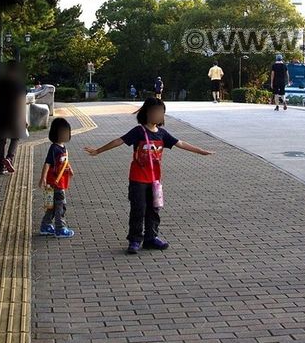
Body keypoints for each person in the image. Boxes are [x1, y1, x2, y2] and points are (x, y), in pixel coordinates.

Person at [84, 97, 213, 254]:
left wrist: (200, 151)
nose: (158, 115)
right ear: (146, 113)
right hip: (138, 179)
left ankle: (151, 238)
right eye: (154, 112)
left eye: (161, 113)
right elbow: (119, 141)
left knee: (153, 210)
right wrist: (98, 151)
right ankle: (135, 240)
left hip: (154, 181)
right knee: (138, 209)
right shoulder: (138, 131)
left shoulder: (162, 134)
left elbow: (181, 143)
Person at [38, 117, 75, 238]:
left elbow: (63, 162)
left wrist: (69, 169)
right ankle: (60, 228)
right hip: (55, 182)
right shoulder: (54, 148)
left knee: (52, 206)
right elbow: (47, 163)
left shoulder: (63, 147)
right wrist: (43, 178)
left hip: (60, 181)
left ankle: (46, 225)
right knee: (60, 205)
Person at [0, 60, 27, 174]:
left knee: (1, 141)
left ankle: (1, 166)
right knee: (15, 138)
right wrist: (23, 119)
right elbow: (21, 103)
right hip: (14, 116)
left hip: (0, 115)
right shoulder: (20, 84)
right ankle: (9, 158)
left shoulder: (0, 82)